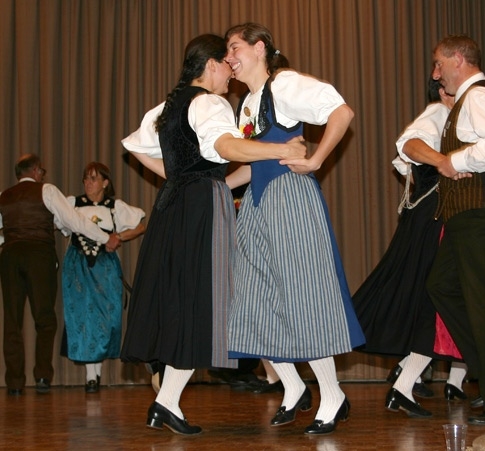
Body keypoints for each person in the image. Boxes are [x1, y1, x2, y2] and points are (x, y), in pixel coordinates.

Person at [120, 33, 306, 435]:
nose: (231, 74)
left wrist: (178, 175)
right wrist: (282, 150)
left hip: (174, 206)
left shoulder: (169, 106)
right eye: (227, 64)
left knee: (193, 299)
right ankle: (290, 384)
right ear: (210, 65)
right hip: (203, 207)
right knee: (216, 296)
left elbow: (134, 145)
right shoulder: (210, 103)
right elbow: (227, 147)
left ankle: (167, 403)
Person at [224, 23, 365, 435]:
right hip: (257, 202)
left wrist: (318, 159)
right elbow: (254, 165)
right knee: (252, 297)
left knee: (303, 294)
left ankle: (332, 393)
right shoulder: (247, 104)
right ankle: (293, 386)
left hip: (289, 196)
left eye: (234, 47)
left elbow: (341, 112)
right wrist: (214, 189)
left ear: (259, 48)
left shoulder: (283, 84)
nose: (229, 57)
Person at [416, 35, 485, 425]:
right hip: (471, 213)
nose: (436, 74)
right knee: (442, 285)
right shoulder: (466, 101)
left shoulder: (479, 96)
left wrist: (457, 161)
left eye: (439, 63)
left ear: (458, 60)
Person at [351, 78, 467, 418]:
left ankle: (404, 384)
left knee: (434, 301)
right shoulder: (438, 114)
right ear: (444, 92)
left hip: (436, 217)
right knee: (436, 299)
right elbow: (409, 145)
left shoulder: (453, 120)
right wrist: (443, 163)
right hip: (436, 220)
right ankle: (404, 384)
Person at [0, 154, 120, 396]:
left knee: (12, 321)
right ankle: (42, 376)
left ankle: (14, 383)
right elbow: (75, 221)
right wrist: (105, 237)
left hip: (10, 257)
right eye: (41, 171)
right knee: (44, 318)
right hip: (39, 257)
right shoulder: (47, 191)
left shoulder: (4, 196)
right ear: (36, 171)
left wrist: (10, 242)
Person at [60, 162, 146, 393]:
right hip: (78, 265)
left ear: (105, 183)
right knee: (83, 315)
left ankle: (95, 374)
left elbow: (140, 227)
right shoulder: (73, 204)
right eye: (86, 178)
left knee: (105, 317)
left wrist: (118, 237)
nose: (88, 183)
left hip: (104, 267)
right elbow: (60, 224)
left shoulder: (113, 207)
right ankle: (91, 376)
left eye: (93, 178)